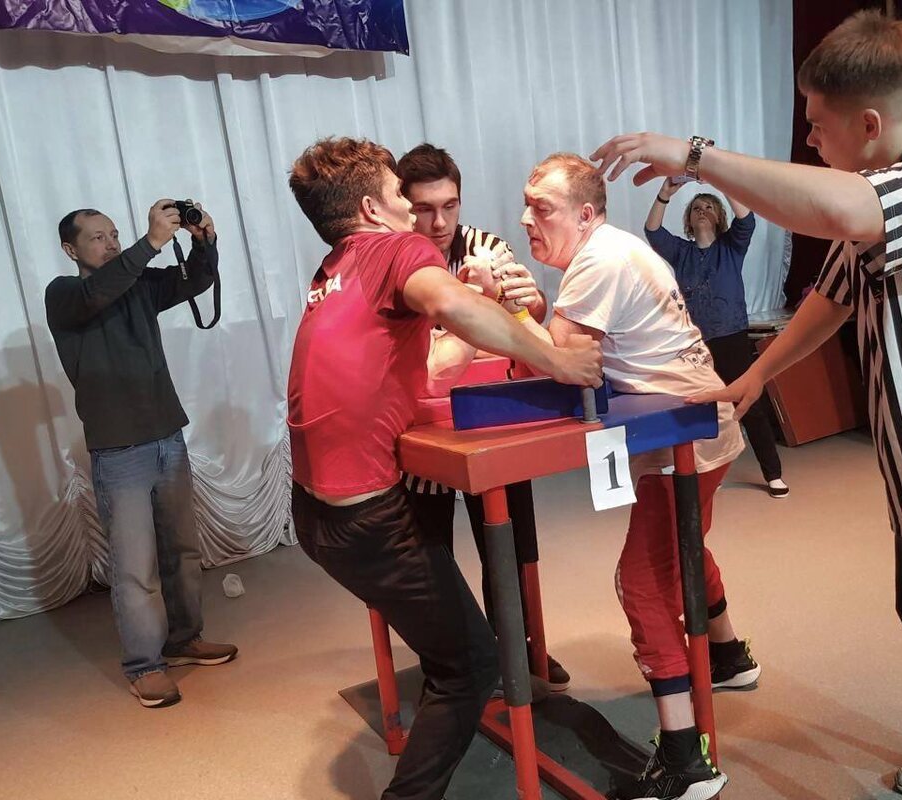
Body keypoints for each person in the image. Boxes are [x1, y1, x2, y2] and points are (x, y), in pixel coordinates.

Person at [592, 10, 902, 800]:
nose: (808, 140)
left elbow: (837, 212)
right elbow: (835, 293)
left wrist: (698, 157)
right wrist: (758, 375)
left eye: (816, 125)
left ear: (869, 124)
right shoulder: (887, 192)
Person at [285, 137, 601, 800]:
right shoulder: (394, 249)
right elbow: (451, 309)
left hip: (314, 513)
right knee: (472, 667)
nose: (415, 212)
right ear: (373, 209)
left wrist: (494, 302)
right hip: (367, 519)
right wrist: (560, 361)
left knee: (454, 642)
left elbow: (428, 349)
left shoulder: (336, 268)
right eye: (400, 196)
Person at [521, 153, 763, 800]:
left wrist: (510, 312)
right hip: (700, 424)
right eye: (526, 205)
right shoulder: (613, 249)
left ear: (585, 214)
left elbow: (560, 364)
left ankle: (686, 761)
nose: (527, 219)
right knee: (684, 547)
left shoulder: (597, 260)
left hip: (682, 434)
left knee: (642, 581)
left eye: (541, 208)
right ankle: (728, 656)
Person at [45, 200, 238, 709]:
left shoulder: (137, 283)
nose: (111, 243)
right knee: (135, 568)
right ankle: (144, 666)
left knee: (182, 551)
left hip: (167, 436)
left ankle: (184, 639)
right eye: (98, 237)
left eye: (114, 234)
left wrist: (204, 242)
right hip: (118, 449)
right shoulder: (64, 294)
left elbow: (196, 282)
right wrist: (149, 244)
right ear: (70, 249)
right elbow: (95, 295)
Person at [395, 143, 569, 693]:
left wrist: (530, 302)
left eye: (449, 206)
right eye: (425, 209)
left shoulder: (487, 248)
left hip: (488, 416)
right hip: (418, 426)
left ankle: (521, 647)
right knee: (429, 556)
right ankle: (449, 666)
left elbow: (527, 317)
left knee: (510, 546)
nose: (439, 222)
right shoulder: (393, 258)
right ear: (403, 205)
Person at [645, 180, 789, 498]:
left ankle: (773, 473)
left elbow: (746, 220)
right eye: (696, 208)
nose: (702, 211)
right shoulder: (681, 252)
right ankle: (713, 470)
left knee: (749, 406)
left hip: (732, 337)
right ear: (688, 219)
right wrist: (665, 194)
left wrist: (720, 180)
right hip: (696, 343)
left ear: (719, 217)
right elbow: (653, 231)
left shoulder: (731, 247)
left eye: (709, 207)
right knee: (705, 409)